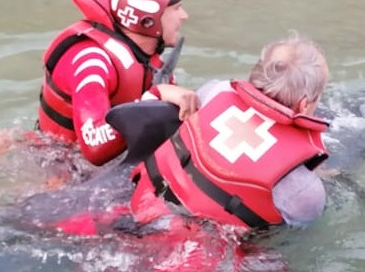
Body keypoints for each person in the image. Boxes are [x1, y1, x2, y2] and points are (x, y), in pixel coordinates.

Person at [128, 32, 331, 231]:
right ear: (304, 104)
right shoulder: (303, 188)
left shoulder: (215, 92)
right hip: (198, 243)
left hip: (137, 209)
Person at [36, 0, 201, 168]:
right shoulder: (91, 61)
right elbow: (95, 148)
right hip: (57, 170)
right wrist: (153, 98)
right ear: (147, 20)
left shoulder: (148, 61)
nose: (184, 16)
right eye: (176, 9)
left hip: (102, 169)